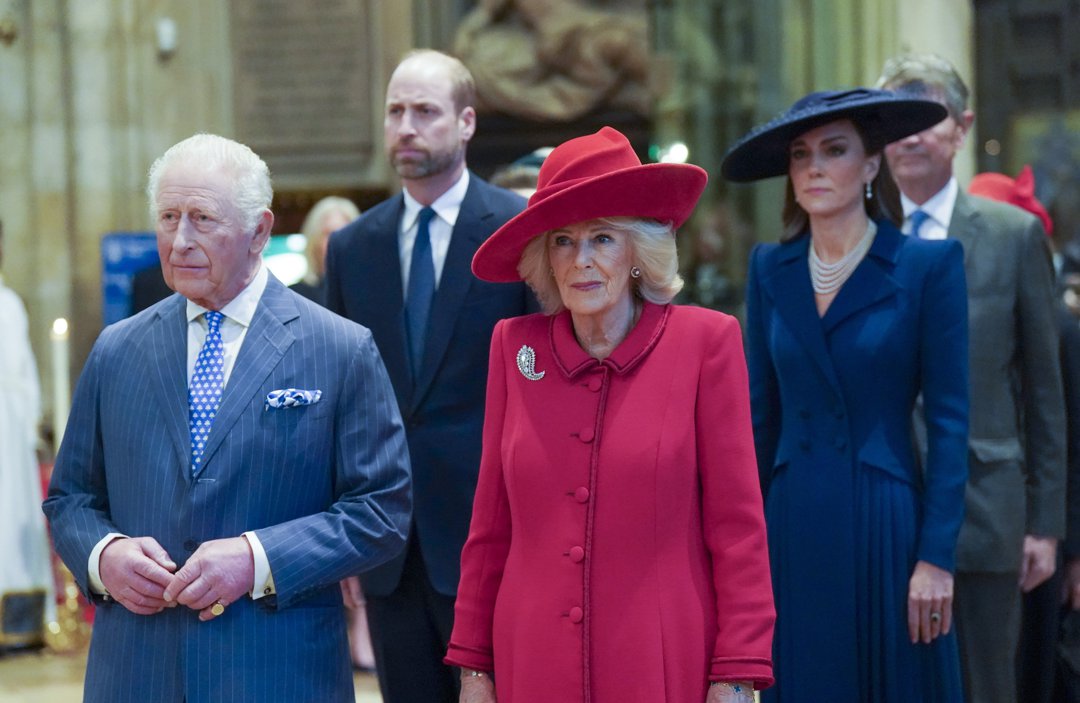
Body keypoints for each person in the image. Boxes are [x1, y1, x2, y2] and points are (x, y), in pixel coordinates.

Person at [42, 133, 412, 703]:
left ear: (259, 232)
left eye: (202, 219)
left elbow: (380, 510)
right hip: (137, 672)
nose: (180, 240)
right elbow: (70, 497)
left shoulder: (339, 348)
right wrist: (103, 555)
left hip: (276, 672)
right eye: (168, 217)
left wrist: (257, 559)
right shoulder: (117, 349)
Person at [445, 126, 775, 703]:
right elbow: (490, 527)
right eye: (563, 241)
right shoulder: (513, 348)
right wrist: (474, 669)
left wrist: (736, 673)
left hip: (661, 655)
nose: (582, 261)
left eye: (603, 238)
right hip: (532, 658)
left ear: (639, 252)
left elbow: (737, 527)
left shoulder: (705, 343)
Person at [722, 88, 969, 701]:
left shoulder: (926, 266)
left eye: (834, 150)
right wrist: (740, 551)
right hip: (792, 519)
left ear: (870, 164)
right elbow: (758, 418)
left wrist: (936, 557)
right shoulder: (768, 268)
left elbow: (950, 423)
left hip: (885, 520)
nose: (814, 167)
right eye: (800, 154)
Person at [323, 49, 535, 703]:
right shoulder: (354, 247)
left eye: (425, 111)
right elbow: (341, 399)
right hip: (387, 541)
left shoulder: (516, 230)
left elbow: (539, 387)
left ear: (466, 123)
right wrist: (340, 532)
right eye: (395, 112)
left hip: (491, 533)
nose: (406, 127)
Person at [878, 54, 1066, 703]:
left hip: (986, 514)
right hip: (886, 508)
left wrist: (1045, 523)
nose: (909, 136)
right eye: (896, 121)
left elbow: (1045, 391)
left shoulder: (1013, 237)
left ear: (962, 127)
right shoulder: (859, 238)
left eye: (926, 117)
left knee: (984, 686)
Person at [0, 218, 54, 649]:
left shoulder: (8, 304)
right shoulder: (7, 303)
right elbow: (23, 381)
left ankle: (18, 624)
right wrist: (33, 425)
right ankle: (18, 627)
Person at [290, 196, 360, 305]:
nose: (337, 242)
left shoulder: (370, 294)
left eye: (345, 233)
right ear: (313, 240)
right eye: (329, 234)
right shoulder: (294, 297)